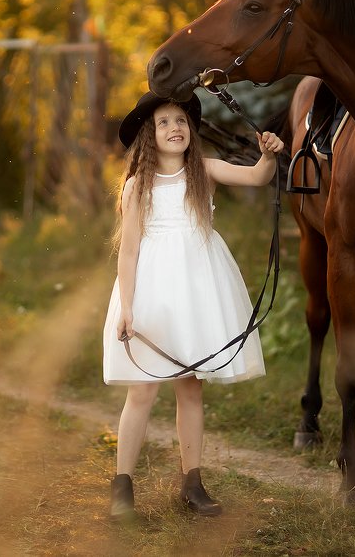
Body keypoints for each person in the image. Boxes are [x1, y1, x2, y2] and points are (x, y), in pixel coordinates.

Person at [103, 91, 284, 521]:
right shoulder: (137, 186)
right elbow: (128, 252)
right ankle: (122, 487)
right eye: (164, 122)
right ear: (150, 134)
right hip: (150, 290)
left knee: (190, 384)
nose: (175, 128)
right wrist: (127, 307)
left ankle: (192, 482)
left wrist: (269, 155)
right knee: (143, 388)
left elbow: (259, 177)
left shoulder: (204, 170)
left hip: (196, 289)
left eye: (181, 120)